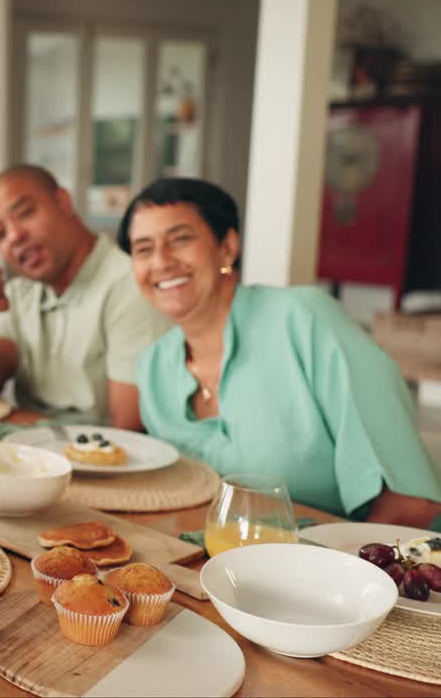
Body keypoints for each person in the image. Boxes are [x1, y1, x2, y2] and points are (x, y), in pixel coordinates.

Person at [120, 177, 441, 526]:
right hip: (217, 565)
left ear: (227, 247)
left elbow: (411, 503)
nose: (161, 262)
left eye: (180, 239)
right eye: (143, 249)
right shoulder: (153, 368)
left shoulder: (305, 320)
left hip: (356, 563)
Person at [0, 165, 168, 428]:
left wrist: (15, 417)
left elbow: (128, 427)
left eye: (25, 213)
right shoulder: (20, 293)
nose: (15, 236)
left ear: (63, 202)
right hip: (26, 454)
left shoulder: (129, 284)